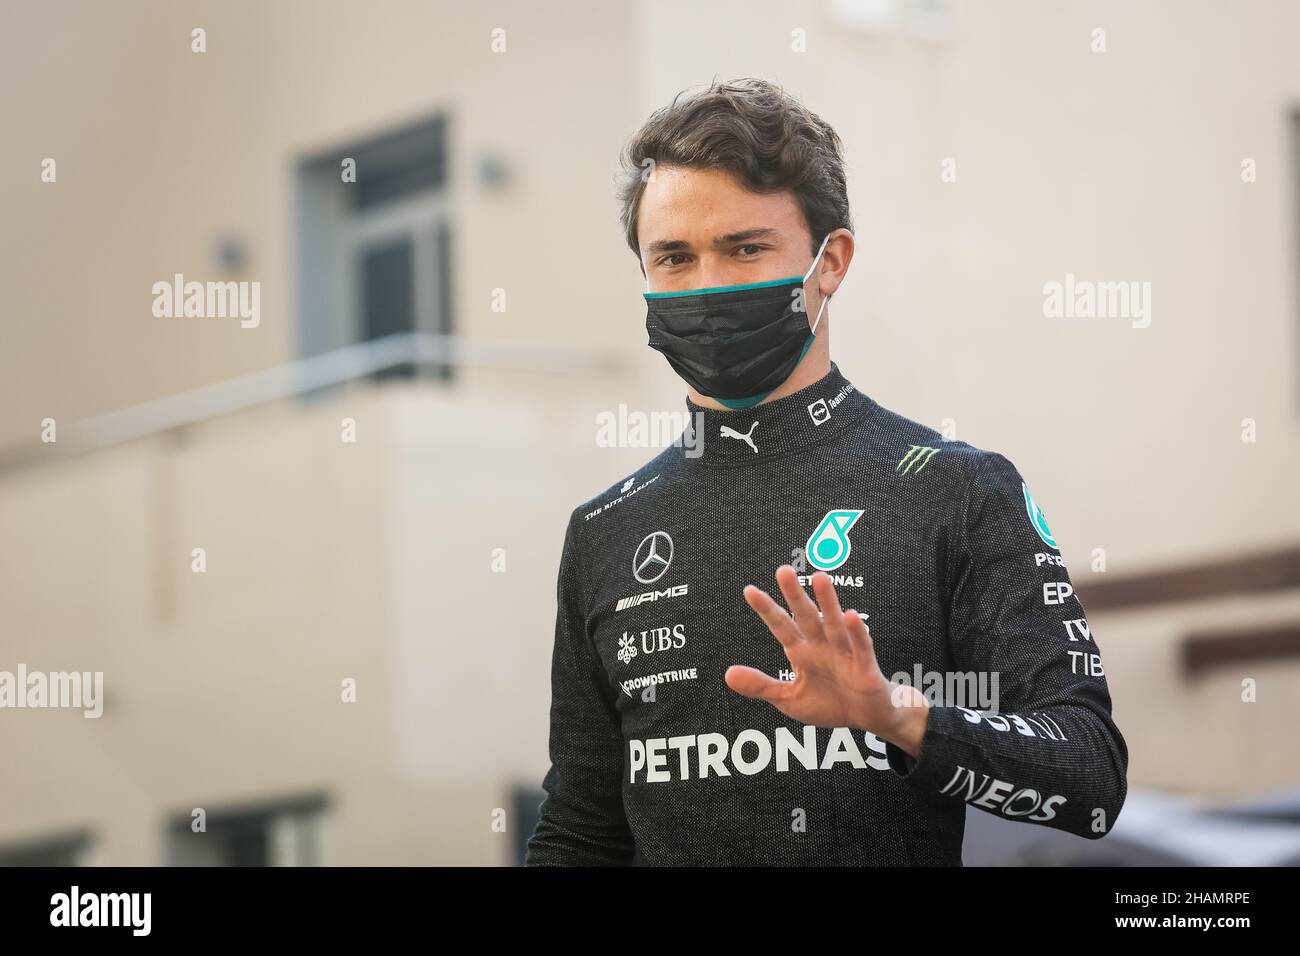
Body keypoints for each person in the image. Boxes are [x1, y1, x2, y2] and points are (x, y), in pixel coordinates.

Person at [525, 77, 1127, 866]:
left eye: (745, 249)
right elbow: (581, 829)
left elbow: (1090, 773)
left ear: (831, 260)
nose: (706, 286)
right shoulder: (605, 531)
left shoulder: (957, 491)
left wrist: (900, 717)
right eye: (673, 257)